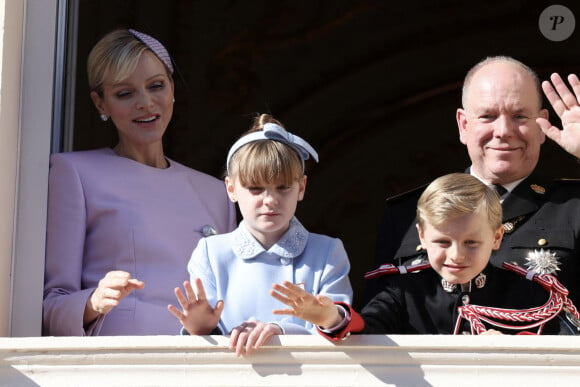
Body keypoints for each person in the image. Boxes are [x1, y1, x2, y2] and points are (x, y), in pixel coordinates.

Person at [43, 29, 237, 336]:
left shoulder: (217, 194)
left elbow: (234, 303)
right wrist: (93, 302)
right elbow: (48, 305)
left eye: (156, 86)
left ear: (172, 87)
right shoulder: (74, 173)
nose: (145, 103)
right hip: (120, 365)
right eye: (124, 93)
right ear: (100, 103)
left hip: (204, 367)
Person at [373, 56, 580, 306]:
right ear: (463, 125)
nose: (503, 130)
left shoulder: (573, 208)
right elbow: (377, 322)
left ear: (541, 125)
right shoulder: (406, 214)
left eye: (520, 116)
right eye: (488, 116)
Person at [271, 173, 580, 336]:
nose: (456, 255)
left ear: (497, 237)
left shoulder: (531, 291)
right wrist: (329, 316)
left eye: (472, 243)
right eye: (443, 242)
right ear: (421, 236)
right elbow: (366, 328)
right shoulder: (403, 292)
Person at [167, 114, 353, 356]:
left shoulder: (328, 252)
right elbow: (203, 344)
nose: (270, 200)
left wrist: (319, 318)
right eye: (255, 188)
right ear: (231, 189)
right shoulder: (211, 252)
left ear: (302, 187)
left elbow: (342, 329)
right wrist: (199, 328)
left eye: (283, 187)